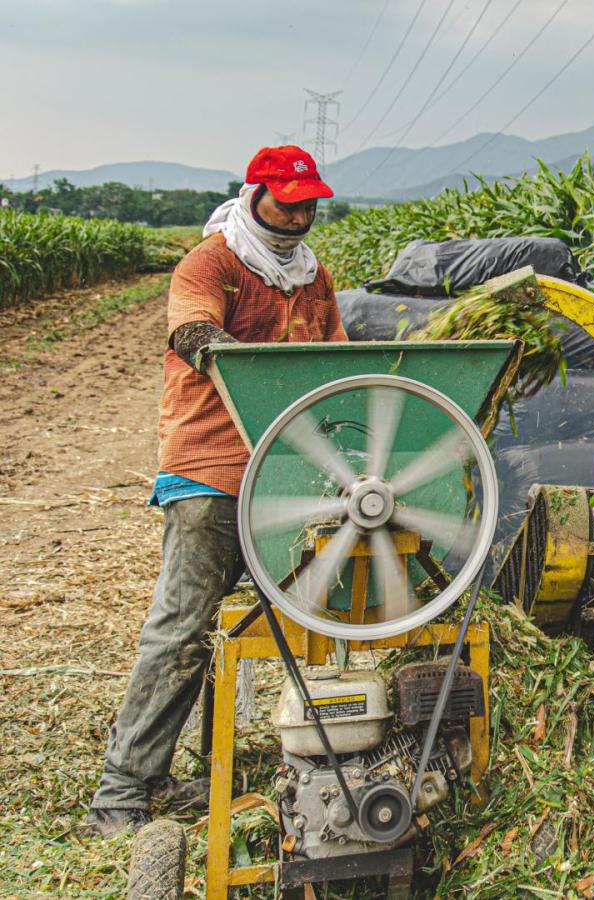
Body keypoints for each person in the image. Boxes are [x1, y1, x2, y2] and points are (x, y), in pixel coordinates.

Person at [82, 146, 347, 836]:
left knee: (298, 626)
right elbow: (191, 329)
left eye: (309, 201)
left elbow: (340, 362)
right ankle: (124, 790)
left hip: (288, 472)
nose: (299, 214)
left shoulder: (313, 279)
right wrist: (226, 354)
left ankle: (276, 764)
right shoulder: (214, 262)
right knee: (181, 630)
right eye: (287, 200)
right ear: (255, 194)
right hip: (212, 470)